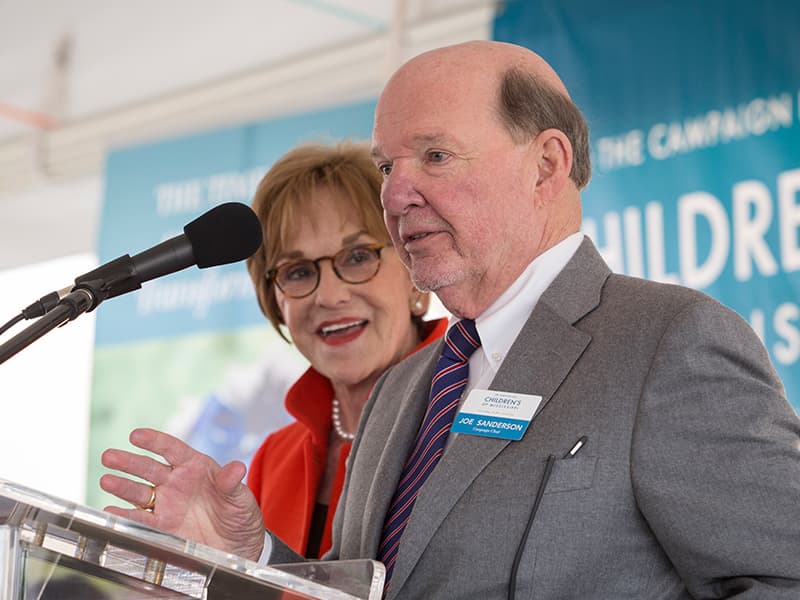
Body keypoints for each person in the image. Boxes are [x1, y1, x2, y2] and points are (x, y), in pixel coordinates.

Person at [100, 41, 800, 599]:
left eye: (434, 156)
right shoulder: (405, 390)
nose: (397, 194)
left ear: (546, 165)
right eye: (386, 167)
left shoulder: (667, 342)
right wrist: (249, 556)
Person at [99, 143, 447, 559]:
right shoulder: (274, 457)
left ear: (415, 274)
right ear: (275, 303)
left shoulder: (464, 422)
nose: (329, 295)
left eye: (357, 257)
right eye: (298, 272)